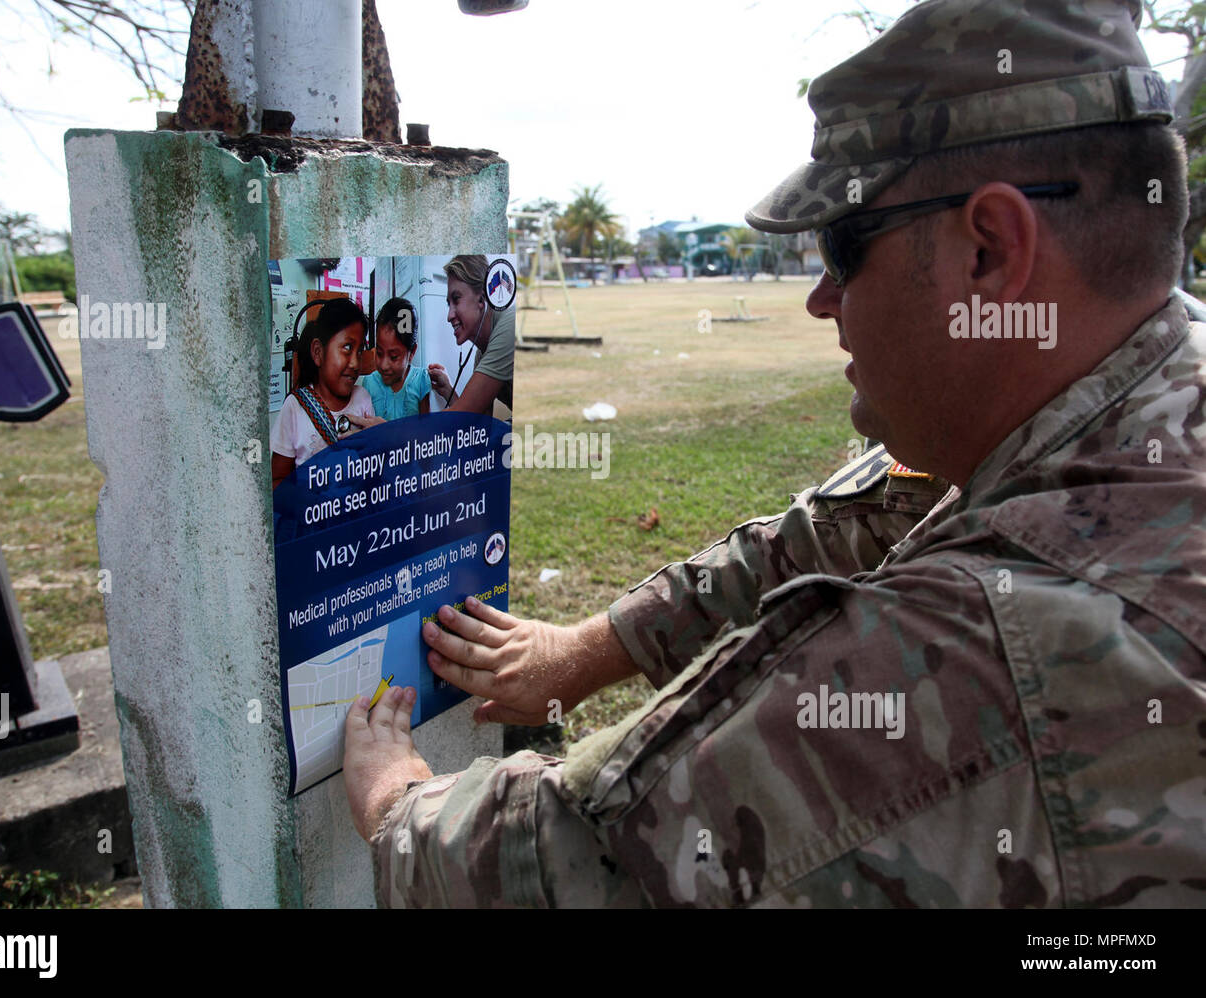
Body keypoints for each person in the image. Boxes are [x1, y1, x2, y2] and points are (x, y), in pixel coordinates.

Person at [343, 0, 1206, 907]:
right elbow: (870, 516)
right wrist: (591, 649)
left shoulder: (1000, 645)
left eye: (843, 245)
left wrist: (397, 797)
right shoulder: (1151, 390)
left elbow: (574, 868)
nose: (821, 299)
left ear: (990, 253)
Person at [270, 298, 378, 488]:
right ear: (318, 352)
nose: (354, 363)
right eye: (347, 348)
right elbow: (277, 479)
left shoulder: (363, 399)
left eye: (359, 351)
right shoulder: (295, 407)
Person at [427, 254, 515, 415]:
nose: (449, 316)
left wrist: (392, 430)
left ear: (482, 299)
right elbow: (477, 423)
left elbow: (463, 415)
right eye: (449, 304)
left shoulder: (510, 325)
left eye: (456, 299)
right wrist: (448, 390)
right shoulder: (481, 355)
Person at [359, 297, 432, 420]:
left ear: (412, 351)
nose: (383, 365)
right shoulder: (369, 384)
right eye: (380, 353)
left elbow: (426, 429)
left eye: (393, 357)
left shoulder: (421, 380)